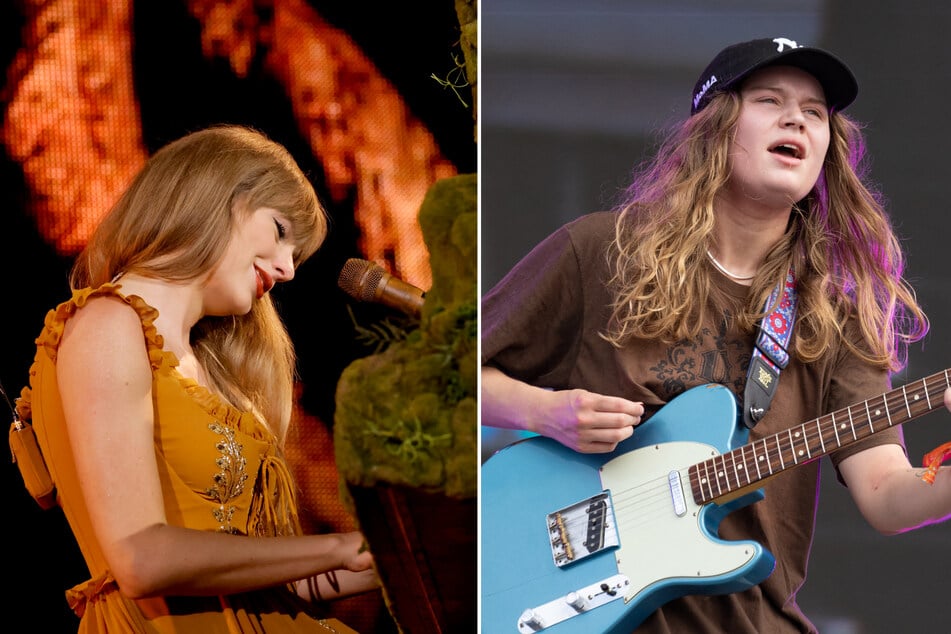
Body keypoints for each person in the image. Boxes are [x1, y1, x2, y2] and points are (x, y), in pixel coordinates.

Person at [481, 37, 951, 632]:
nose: (795, 120)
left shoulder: (835, 311)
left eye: (814, 112)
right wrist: (546, 411)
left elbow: (889, 496)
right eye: (769, 100)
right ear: (716, 127)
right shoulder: (602, 251)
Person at [15, 125, 378, 632]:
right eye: (279, 232)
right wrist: (339, 544)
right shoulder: (106, 325)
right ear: (219, 196)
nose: (287, 269)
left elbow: (275, 581)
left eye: (296, 254)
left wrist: (387, 560)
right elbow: (140, 559)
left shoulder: (210, 366)